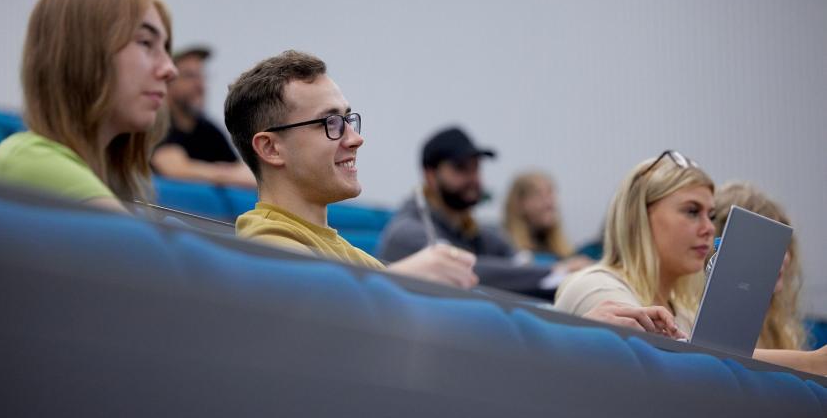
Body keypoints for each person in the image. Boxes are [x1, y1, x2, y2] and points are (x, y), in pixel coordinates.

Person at [554, 150, 826, 375]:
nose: (709, 228)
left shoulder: (685, 312)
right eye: (692, 211)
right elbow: (671, 369)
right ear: (639, 216)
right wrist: (812, 363)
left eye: (711, 215)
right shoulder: (593, 285)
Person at [223, 50, 478, 289]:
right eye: (331, 122)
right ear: (270, 148)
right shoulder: (264, 245)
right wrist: (403, 281)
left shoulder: (355, 259)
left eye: (348, 119)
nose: (355, 138)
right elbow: (316, 307)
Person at [0, 0, 177, 212]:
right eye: (145, 42)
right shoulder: (34, 161)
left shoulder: (100, 180)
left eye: (165, 49)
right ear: (83, 54)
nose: (170, 69)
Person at [378, 128, 584, 298]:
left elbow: (517, 264)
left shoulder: (476, 232)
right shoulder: (407, 231)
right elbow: (462, 270)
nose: (473, 179)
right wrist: (556, 272)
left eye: (476, 168)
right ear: (430, 175)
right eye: (461, 168)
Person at [713, 181, 807, 351]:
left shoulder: (781, 330)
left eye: (785, 245)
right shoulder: (690, 319)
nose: (785, 257)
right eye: (768, 245)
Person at [151, 46, 256, 188]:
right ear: (167, 81)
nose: (200, 85)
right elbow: (174, 168)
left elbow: (244, 173)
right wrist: (223, 174)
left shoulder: (208, 130)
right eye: (190, 76)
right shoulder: (154, 123)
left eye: (202, 76)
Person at [503, 171, 596, 269]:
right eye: (538, 194)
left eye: (550, 193)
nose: (549, 202)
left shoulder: (564, 252)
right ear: (519, 203)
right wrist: (564, 268)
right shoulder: (506, 249)